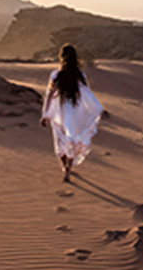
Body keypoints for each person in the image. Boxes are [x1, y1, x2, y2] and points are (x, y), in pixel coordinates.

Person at [40, 44, 105, 182]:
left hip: (59, 112)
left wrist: (45, 114)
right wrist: (92, 109)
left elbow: (50, 95)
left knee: (60, 140)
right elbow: (87, 93)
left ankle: (65, 167)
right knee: (72, 139)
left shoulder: (56, 74)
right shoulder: (80, 75)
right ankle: (69, 166)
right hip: (74, 110)